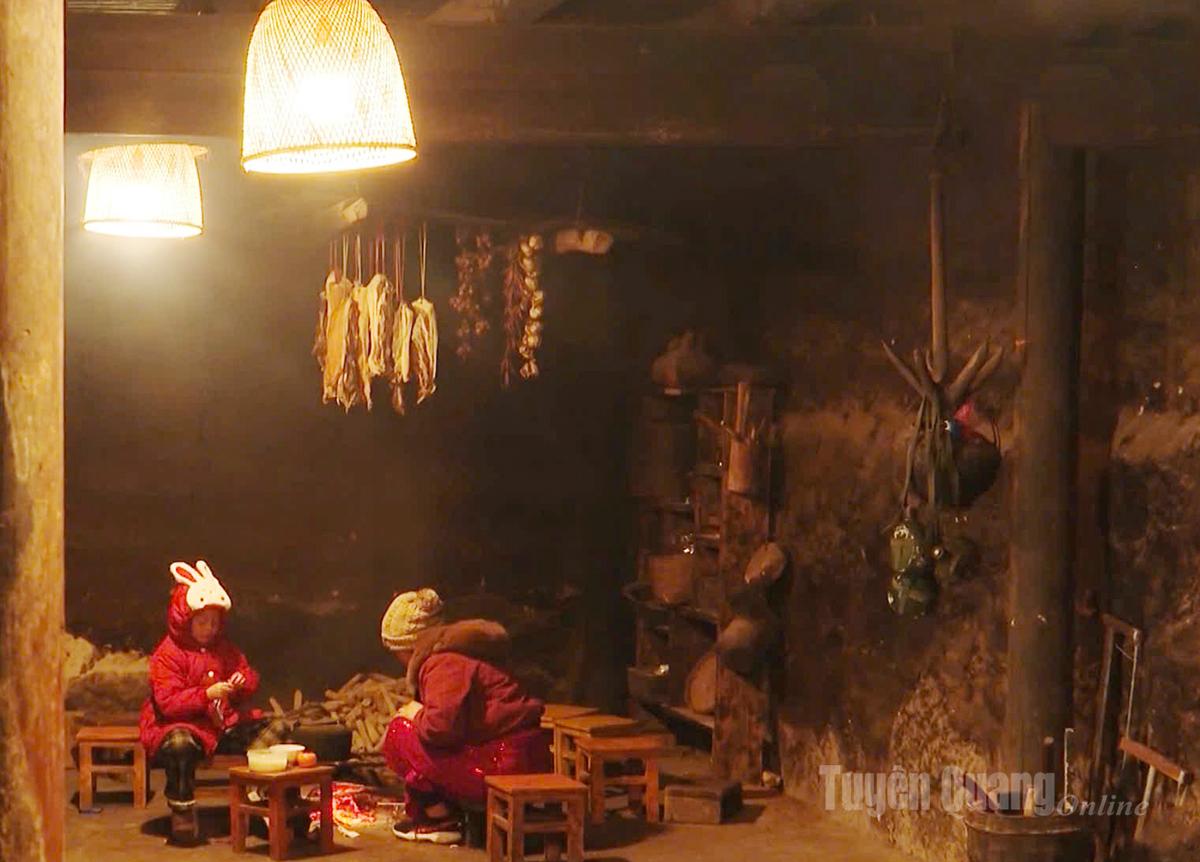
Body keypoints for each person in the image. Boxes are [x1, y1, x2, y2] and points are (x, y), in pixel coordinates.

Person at [380, 589, 551, 844]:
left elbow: (441, 729)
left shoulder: (443, 662)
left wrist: (416, 714)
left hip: (502, 763)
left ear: (412, 645)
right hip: (524, 756)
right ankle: (447, 810)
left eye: (398, 652)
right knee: (414, 735)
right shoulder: (466, 650)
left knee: (399, 734)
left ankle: (442, 818)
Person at [138, 560, 261, 844]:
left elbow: (247, 674)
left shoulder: (224, 649)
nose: (209, 628)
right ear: (186, 620)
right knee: (179, 745)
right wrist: (206, 694)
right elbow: (168, 702)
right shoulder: (168, 654)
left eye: (214, 623)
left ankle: (265, 798)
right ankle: (182, 811)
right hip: (182, 725)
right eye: (203, 622)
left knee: (274, 730)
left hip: (222, 723)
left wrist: (242, 681)